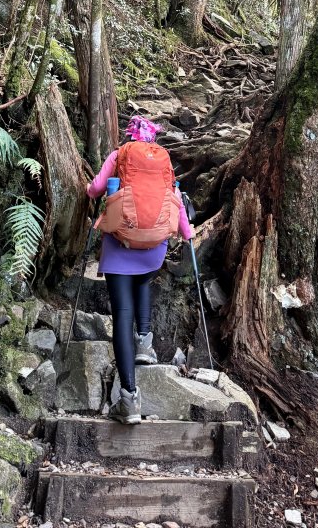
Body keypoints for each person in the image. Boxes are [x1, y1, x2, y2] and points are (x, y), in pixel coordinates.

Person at [87, 115, 194, 425]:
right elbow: (174, 198)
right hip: (153, 248)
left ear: (130, 136)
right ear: (152, 140)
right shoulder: (163, 162)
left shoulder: (118, 155)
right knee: (143, 283)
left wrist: (88, 188)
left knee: (122, 313)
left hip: (120, 243)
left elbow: (96, 189)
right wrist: (187, 234)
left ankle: (129, 399)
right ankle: (144, 344)